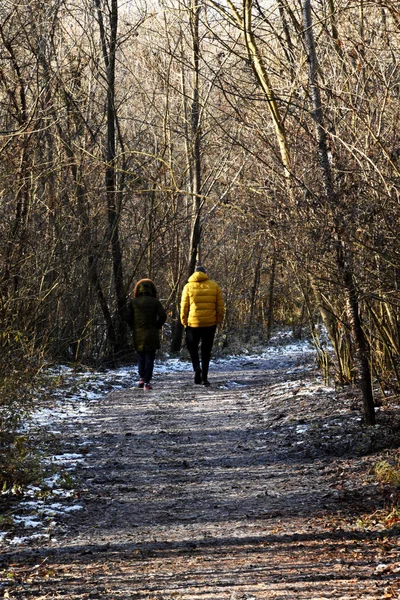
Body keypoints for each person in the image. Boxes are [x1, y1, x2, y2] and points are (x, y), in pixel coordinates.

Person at [180, 265, 225, 386]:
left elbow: (184, 307)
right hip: (209, 323)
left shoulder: (188, 287)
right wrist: (217, 320)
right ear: (205, 273)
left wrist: (184, 321)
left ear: (194, 273)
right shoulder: (214, 286)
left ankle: (196, 368)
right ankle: (204, 377)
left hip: (192, 324)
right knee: (206, 350)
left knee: (192, 348)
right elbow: (220, 306)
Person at [125, 278, 167, 390]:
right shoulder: (155, 302)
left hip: (138, 333)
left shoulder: (133, 302)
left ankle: (141, 378)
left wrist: (133, 327)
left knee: (140, 356)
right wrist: (158, 325)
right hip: (151, 333)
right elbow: (163, 316)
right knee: (150, 356)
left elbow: (128, 317)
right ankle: (147, 382)